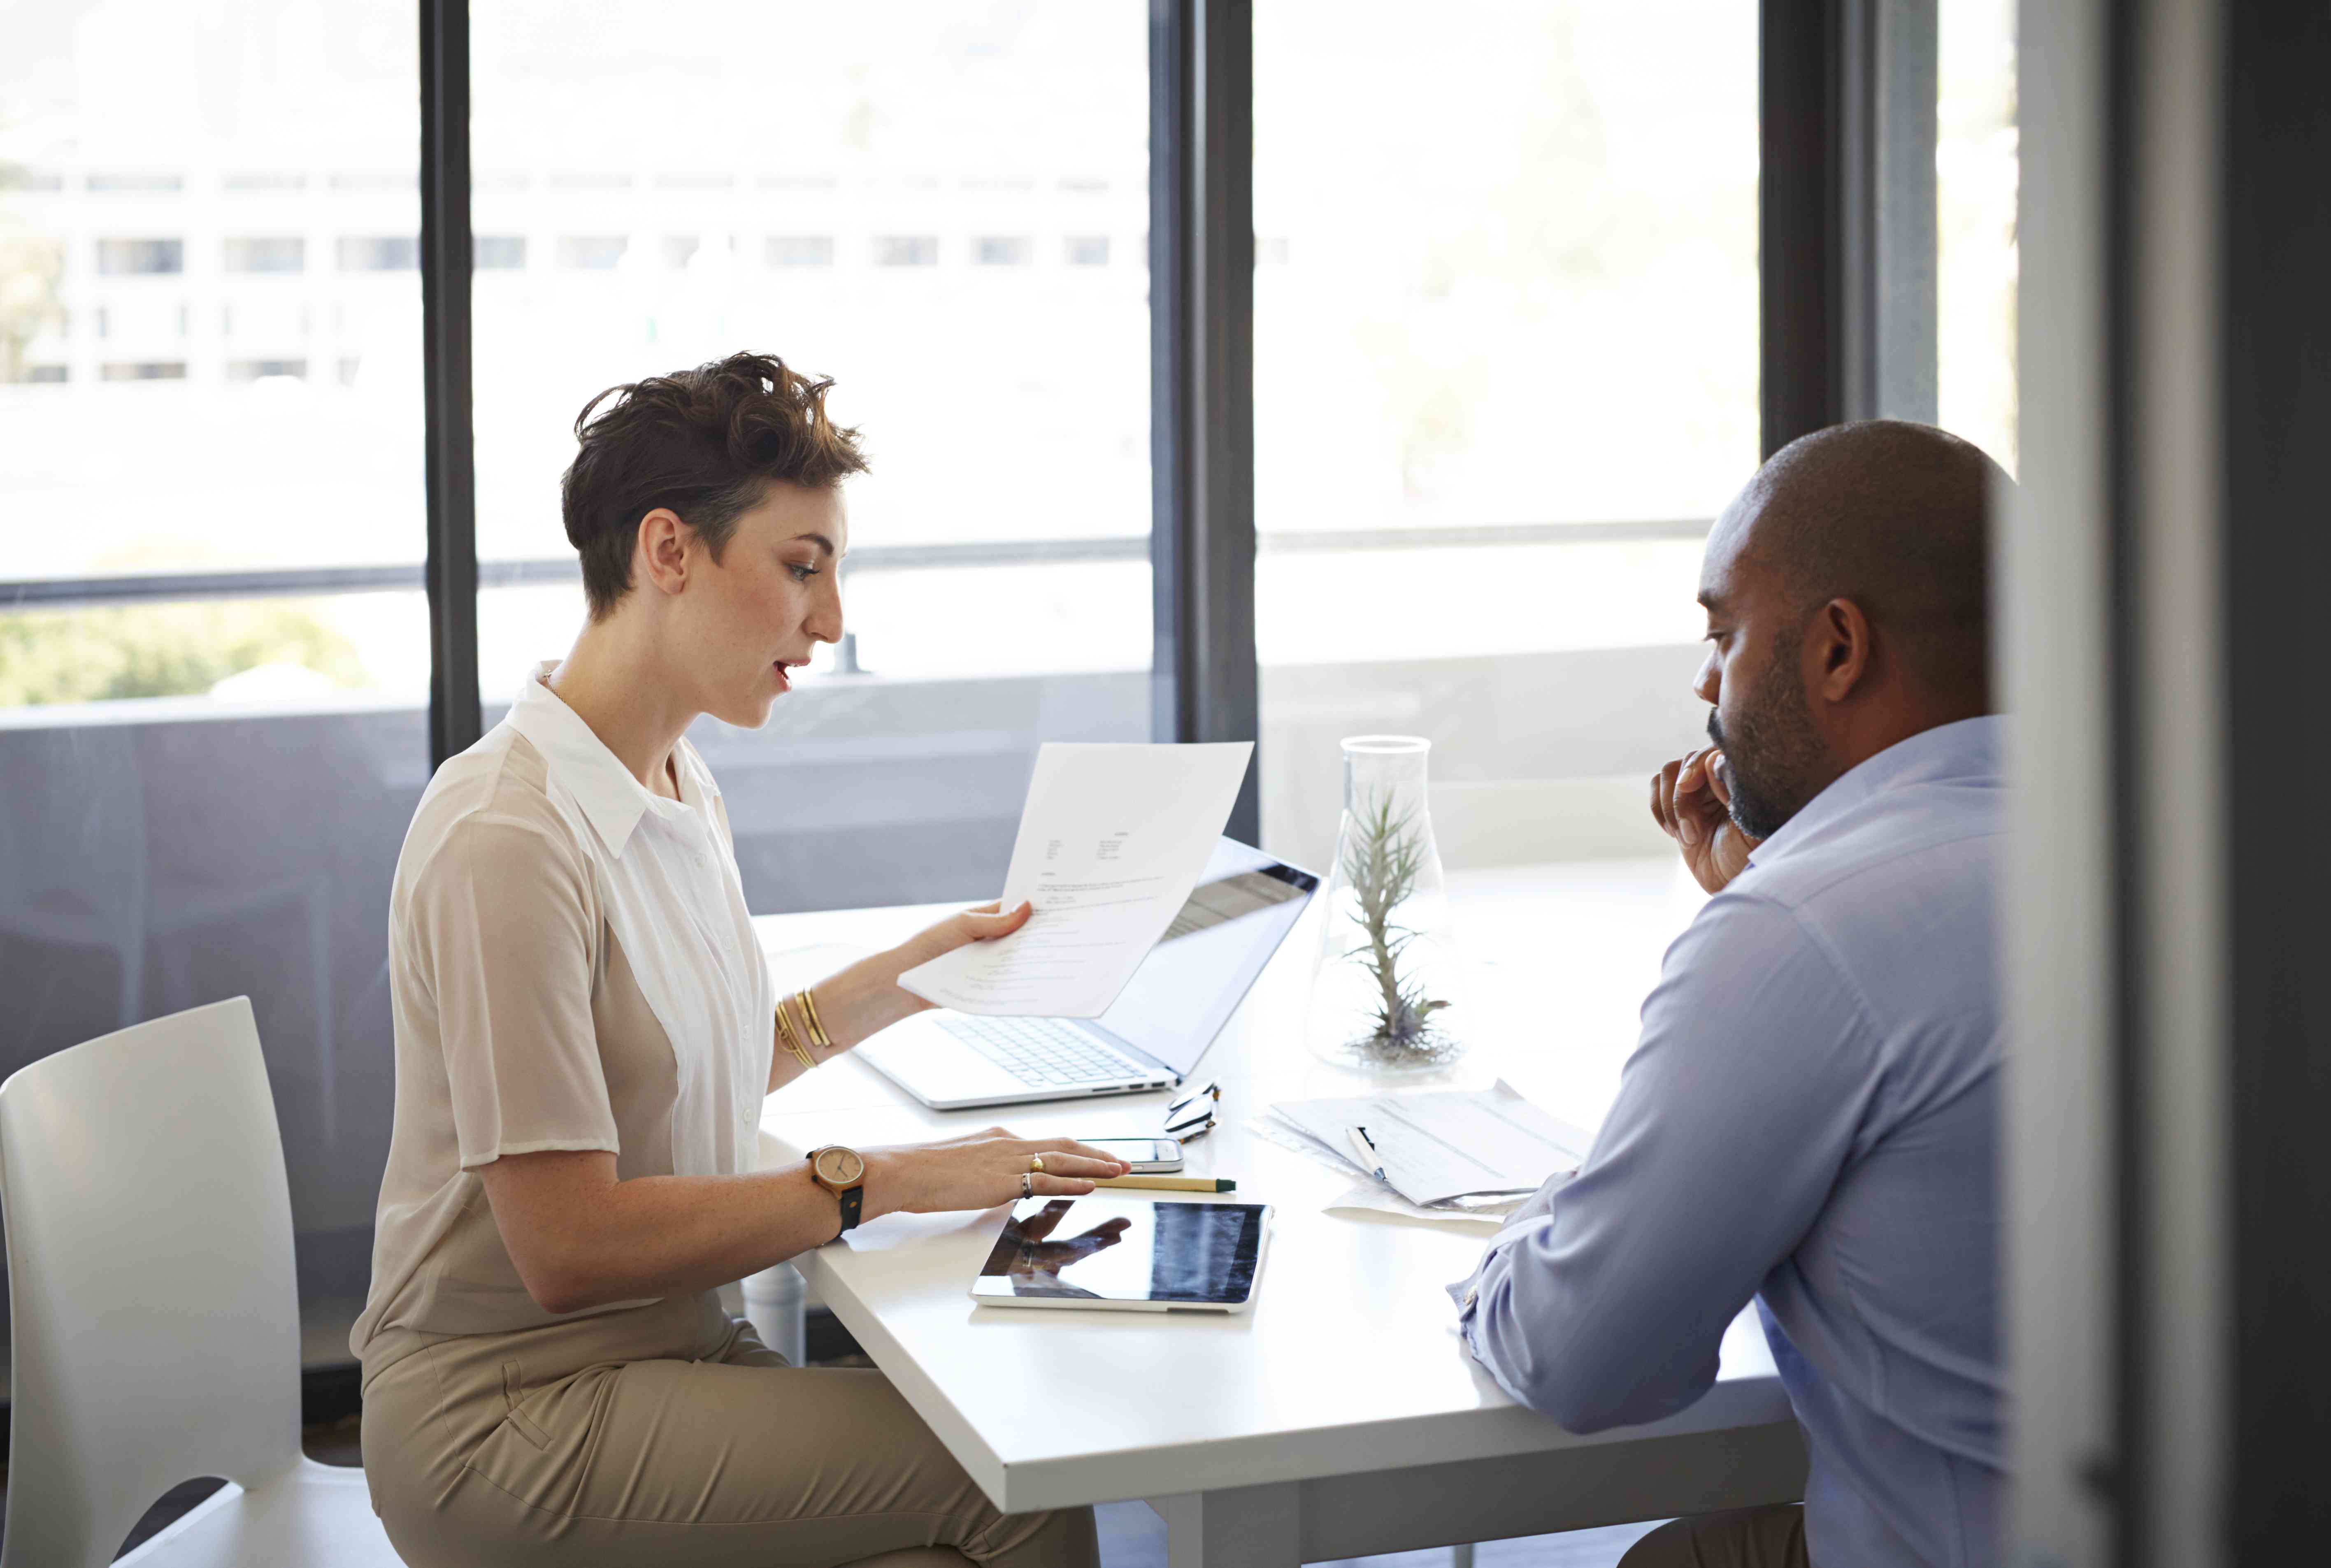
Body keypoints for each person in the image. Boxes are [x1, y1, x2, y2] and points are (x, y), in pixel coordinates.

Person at [353, 351, 1130, 1568]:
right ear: (668, 552)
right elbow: (571, 1246)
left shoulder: (672, 778)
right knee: (1010, 1486)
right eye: (800, 568)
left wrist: (916, 968)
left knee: (963, 1508)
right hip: (507, 1414)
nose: (828, 618)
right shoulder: (507, 836)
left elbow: (692, 1071)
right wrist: (896, 1175)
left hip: (661, 1354)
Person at [1450, 420, 2011, 1568]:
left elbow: (1582, 1355)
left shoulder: (1807, 930)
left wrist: (1524, 1219)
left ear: (1837, 649)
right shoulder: (2205, 844)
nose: (1705, 681)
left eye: (1722, 632)